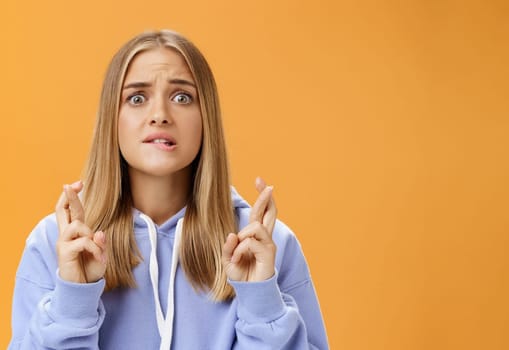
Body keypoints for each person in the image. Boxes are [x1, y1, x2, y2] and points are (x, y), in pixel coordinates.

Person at [10, 30, 328, 350]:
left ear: (206, 119)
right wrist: (73, 301)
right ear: (113, 119)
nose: (160, 115)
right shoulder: (55, 243)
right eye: (137, 98)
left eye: (182, 97)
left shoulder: (267, 244)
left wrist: (262, 302)